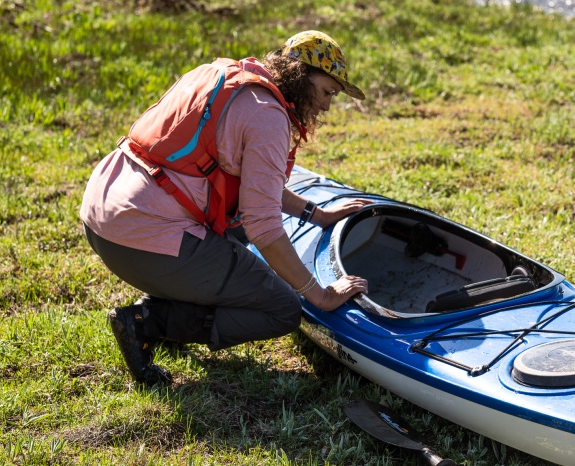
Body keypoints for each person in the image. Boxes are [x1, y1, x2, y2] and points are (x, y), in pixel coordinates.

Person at [80, 31, 371, 386]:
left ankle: (169, 298)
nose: (326, 106)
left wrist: (314, 213)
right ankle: (150, 322)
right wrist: (320, 294)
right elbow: (263, 226)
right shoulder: (268, 117)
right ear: (300, 75)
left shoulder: (224, 75)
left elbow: (252, 187)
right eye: (328, 92)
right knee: (283, 308)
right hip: (141, 234)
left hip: (102, 212)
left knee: (237, 233)